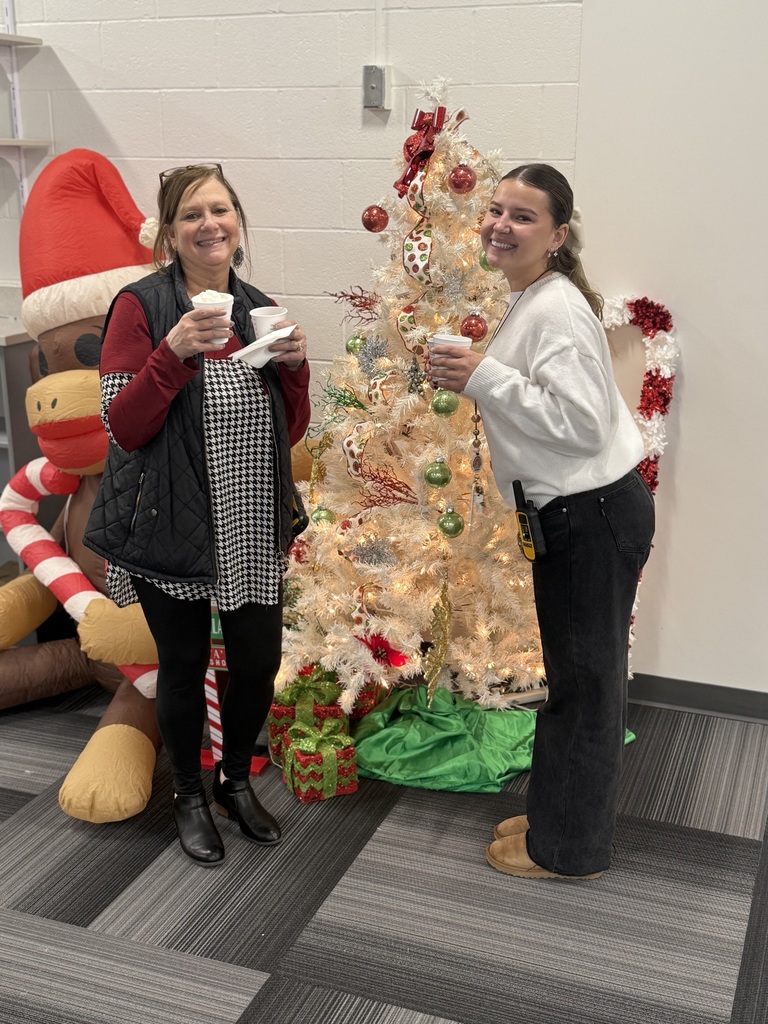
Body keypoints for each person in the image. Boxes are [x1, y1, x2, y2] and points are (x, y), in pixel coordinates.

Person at [427, 163, 654, 880]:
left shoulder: (554, 308)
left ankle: (570, 849)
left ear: (557, 235)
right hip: (574, 516)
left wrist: (483, 376)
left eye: (522, 217)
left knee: (587, 691)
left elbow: (582, 426)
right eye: (496, 210)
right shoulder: (534, 297)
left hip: (592, 516)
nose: (500, 224)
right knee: (573, 679)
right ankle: (558, 814)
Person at [84, 162, 311, 866]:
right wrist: (173, 354)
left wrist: (296, 368)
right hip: (171, 519)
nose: (209, 224)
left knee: (257, 661)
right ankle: (188, 794)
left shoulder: (257, 306)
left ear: (238, 222)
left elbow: (291, 429)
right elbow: (122, 426)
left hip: (250, 514)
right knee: (183, 665)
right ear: (171, 234)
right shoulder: (141, 308)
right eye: (192, 214)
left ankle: (234, 781)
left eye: (221, 209)